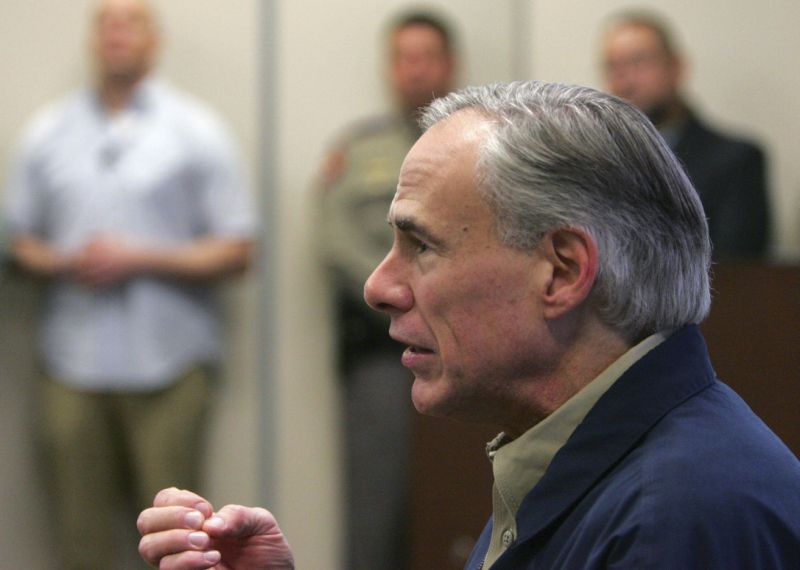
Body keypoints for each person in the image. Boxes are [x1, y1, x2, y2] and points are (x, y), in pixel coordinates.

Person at [137, 81, 800, 569]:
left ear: (563, 272)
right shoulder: (594, 459)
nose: (378, 285)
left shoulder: (679, 520)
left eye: (420, 245)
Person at [3, 0, 256, 567]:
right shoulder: (48, 131)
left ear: (154, 39)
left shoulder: (198, 129)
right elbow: (17, 243)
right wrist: (67, 262)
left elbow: (238, 248)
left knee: (178, 541)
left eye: (131, 22)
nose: (117, 33)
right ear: (94, 40)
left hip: (169, 366)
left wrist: (139, 258)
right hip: (71, 365)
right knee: (79, 538)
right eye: (106, 22)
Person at [315, 10, 456, 570]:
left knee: (460, 512)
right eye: (404, 58)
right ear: (390, 68)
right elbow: (337, 244)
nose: (415, 70)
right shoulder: (357, 150)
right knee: (377, 517)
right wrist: (415, 301)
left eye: (427, 56)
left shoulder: (491, 145)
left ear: (450, 64)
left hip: (472, 355)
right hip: (383, 354)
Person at [601, 11, 770, 260]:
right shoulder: (596, 162)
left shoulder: (736, 160)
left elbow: (737, 268)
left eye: (638, 62)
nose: (625, 81)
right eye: (614, 67)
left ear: (676, 67)